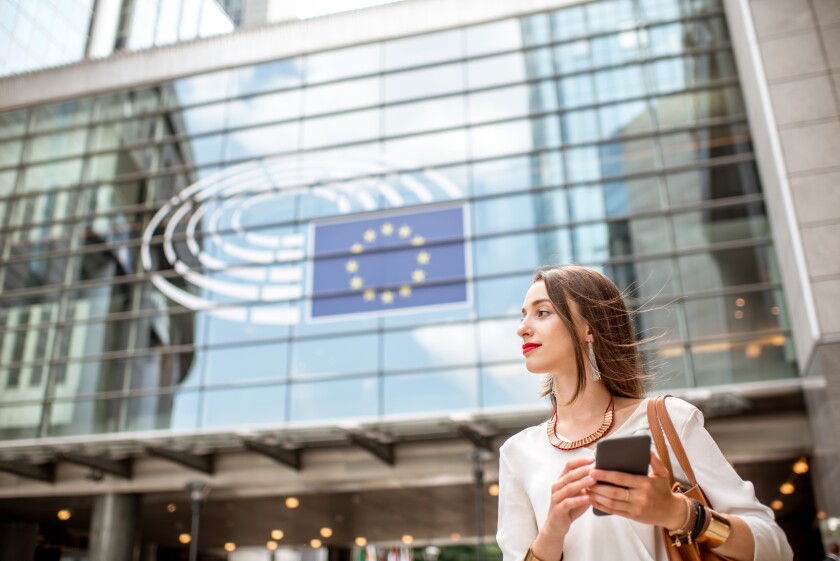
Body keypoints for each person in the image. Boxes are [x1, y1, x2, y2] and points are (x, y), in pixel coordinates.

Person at [496, 265, 793, 561]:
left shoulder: (670, 419)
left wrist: (679, 514)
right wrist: (552, 531)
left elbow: (775, 548)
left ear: (589, 327)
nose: (522, 327)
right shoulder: (518, 453)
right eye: (523, 315)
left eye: (542, 312)